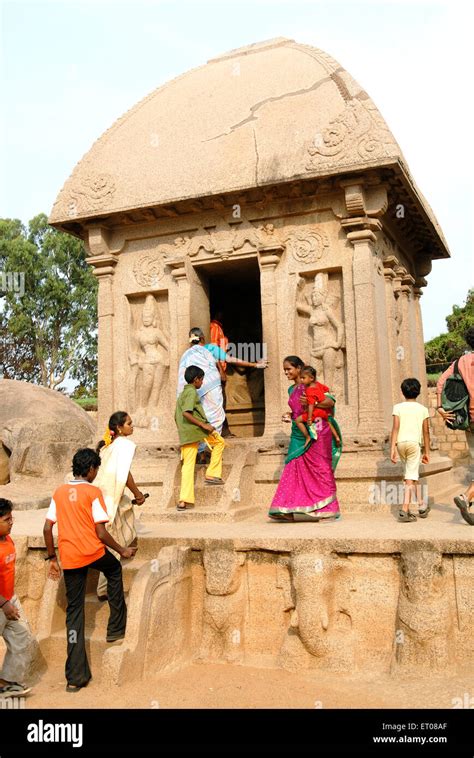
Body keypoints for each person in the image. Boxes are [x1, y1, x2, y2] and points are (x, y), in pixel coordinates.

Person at [43, 448, 136, 692]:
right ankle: (116, 627)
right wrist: (122, 549)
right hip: (93, 552)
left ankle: (75, 677)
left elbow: (46, 528)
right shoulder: (93, 492)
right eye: (96, 469)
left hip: (71, 558)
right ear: (92, 469)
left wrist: (52, 558)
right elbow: (101, 532)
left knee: (74, 613)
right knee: (114, 568)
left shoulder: (60, 492)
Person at [268, 356, 341, 522]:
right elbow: (296, 410)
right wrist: (289, 414)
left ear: (300, 368)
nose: (286, 372)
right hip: (297, 432)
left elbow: (330, 402)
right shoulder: (291, 390)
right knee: (293, 467)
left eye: (289, 369)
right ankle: (287, 508)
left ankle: (328, 509)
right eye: (285, 369)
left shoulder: (313, 386)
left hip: (317, 429)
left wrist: (312, 403)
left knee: (320, 468)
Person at [177, 328, 267, 460]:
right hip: (212, 388)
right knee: (216, 416)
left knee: (199, 417)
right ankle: (210, 446)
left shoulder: (186, 355)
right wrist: (255, 365)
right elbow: (230, 359)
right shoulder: (211, 349)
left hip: (193, 391)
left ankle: (201, 450)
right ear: (202, 338)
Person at [93, 411, 145, 600]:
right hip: (110, 500)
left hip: (106, 497)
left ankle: (104, 585)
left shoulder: (109, 447)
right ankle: (103, 589)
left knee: (121, 533)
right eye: (129, 424)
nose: (132, 426)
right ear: (119, 428)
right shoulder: (123, 445)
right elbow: (125, 474)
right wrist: (137, 493)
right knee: (114, 543)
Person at [436, 326, 474, 524]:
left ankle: (468, 501)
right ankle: (466, 496)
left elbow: (441, 382)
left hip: (469, 420)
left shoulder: (460, 362)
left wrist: (440, 408)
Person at [175, 365, 226, 511]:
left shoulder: (182, 394)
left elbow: (177, 415)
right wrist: (204, 426)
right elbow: (186, 413)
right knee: (220, 442)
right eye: (202, 379)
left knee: (188, 465)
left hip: (187, 433)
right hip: (197, 430)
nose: (202, 383)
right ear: (196, 379)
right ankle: (212, 474)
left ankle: (183, 500)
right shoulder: (191, 392)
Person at [0, 498, 34, 697]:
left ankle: (7, 683)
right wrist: (4, 604)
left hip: (9, 599)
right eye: (6, 519)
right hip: (3, 603)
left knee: (22, 636)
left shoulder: (8, 539)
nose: (11, 522)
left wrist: (8, 600)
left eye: (12, 518)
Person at [390, 378, 430, 522]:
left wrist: (392, 448)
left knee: (411, 475)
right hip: (414, 444)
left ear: (402, 391)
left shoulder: (398, 407)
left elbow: (395, 428)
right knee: (410, 477)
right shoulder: (423, 409)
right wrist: (427, 451)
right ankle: (405, 509)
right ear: (418, 391)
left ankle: (421, 505)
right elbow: (426, 432)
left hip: (401, 443)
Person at [294, 365, 342, 449]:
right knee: (328, 422)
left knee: (298, 421)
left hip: (315, 413)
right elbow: (326, 389)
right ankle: (336, 436)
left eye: (303, 378)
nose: (301, 380)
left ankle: (307, 437)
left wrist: (309, 418)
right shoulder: (318, 385)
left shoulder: (309, 390)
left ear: (311, 378)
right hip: (323, 412)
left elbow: (311, 405)